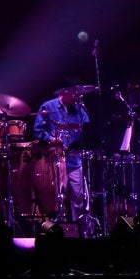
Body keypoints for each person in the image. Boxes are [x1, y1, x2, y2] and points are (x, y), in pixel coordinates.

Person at [33, 85, 90, 218]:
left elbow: (87, 128)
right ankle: (57, 226)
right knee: (56, 200)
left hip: (74, 161)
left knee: (79, 200)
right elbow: (38, 130)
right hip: (53, 161)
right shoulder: (48, 106)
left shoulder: (79, 109)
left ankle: (80, 227)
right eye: (74, 92)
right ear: (65, 92)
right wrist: (51, 139)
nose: (76, 95)